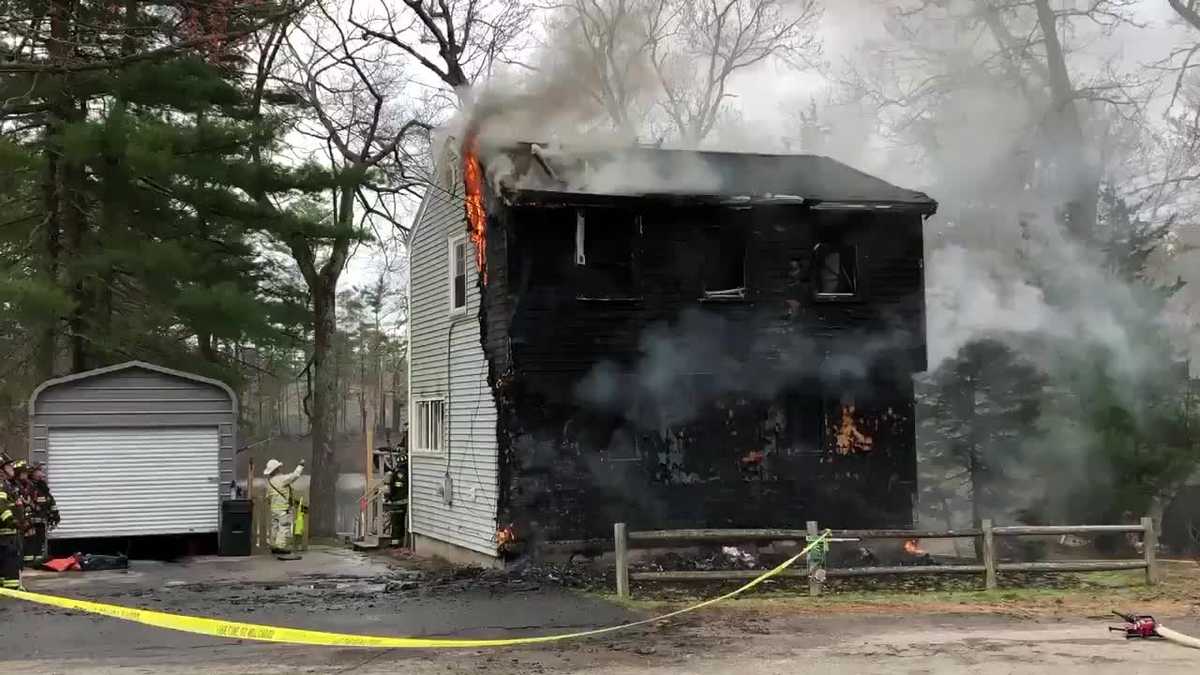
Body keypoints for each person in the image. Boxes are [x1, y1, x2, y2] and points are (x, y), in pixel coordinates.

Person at [264, 458, 304, 560]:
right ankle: (281, 548)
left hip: (274, 509)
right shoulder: (282, 479)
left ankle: (273, 545)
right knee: (284, 527)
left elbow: (268, 497)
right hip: (283, 509)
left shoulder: (269, 482)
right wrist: (300, 465)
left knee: (275, 527)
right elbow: (295, 476)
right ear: (277, 469)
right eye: (279, 468)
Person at [23, 463, 57, 567]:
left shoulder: (43, 486)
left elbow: (50, 501)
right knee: (31, 542)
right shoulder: (27, 486)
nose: (42, 473)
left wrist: (55, 514)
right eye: (39, 471)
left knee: (39, 543)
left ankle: (38, 562)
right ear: (32, 473)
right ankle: (28, 563)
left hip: (41, 521)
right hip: (31, 522)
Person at [0, 454, 25, 590]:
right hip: (6, 533)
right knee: (10, 564)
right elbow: (1, 504)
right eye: (9, 466)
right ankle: (14, 589)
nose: (12, 468)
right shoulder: (1, 485)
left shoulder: (8, 485)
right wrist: (11, 520)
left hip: (10, 533)